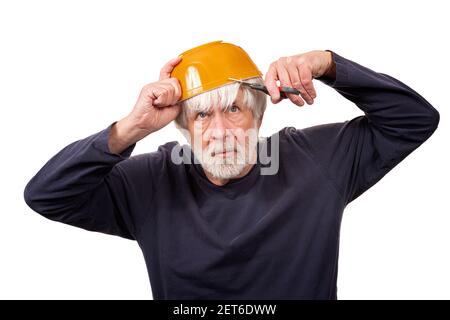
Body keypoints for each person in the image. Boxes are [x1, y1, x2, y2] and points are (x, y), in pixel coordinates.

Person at [24, 42, 440, 299]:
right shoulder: (152, 181)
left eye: (234, 109)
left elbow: (415, 119)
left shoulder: (316, 159)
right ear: (185, 127)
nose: (220, 131)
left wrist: (326, 63)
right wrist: (130, 128)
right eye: (202, 115)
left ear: (258, 117)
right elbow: (46, 194)